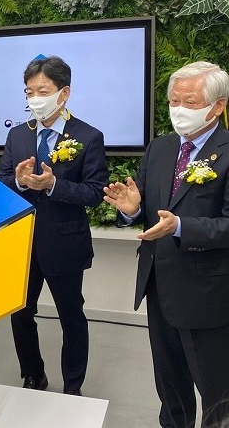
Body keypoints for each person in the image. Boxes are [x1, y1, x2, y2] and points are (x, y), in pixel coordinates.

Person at [103, 61, 229, 427]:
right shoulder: (159, 148)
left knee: (217, 393)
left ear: (217, 106)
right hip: (159, 285)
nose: (179, 110)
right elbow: (144, 206)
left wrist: (181, 227)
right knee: (170, 384)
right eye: (174, 101)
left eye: (190, 102)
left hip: (208, 294)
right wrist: (132, 209)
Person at [0, 56, 108, 395]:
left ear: (64, 93)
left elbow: (94, 193)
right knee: (20, 314)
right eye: (29, 92)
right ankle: (33, 374)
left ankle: (73, 385)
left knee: (71, 316)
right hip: (23, 243)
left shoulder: (88, 136)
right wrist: (18, 181)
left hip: (64, 243)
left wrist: (53, 185)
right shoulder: (18, 135)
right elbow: (1, 181)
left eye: (42, 91)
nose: (35, 99)